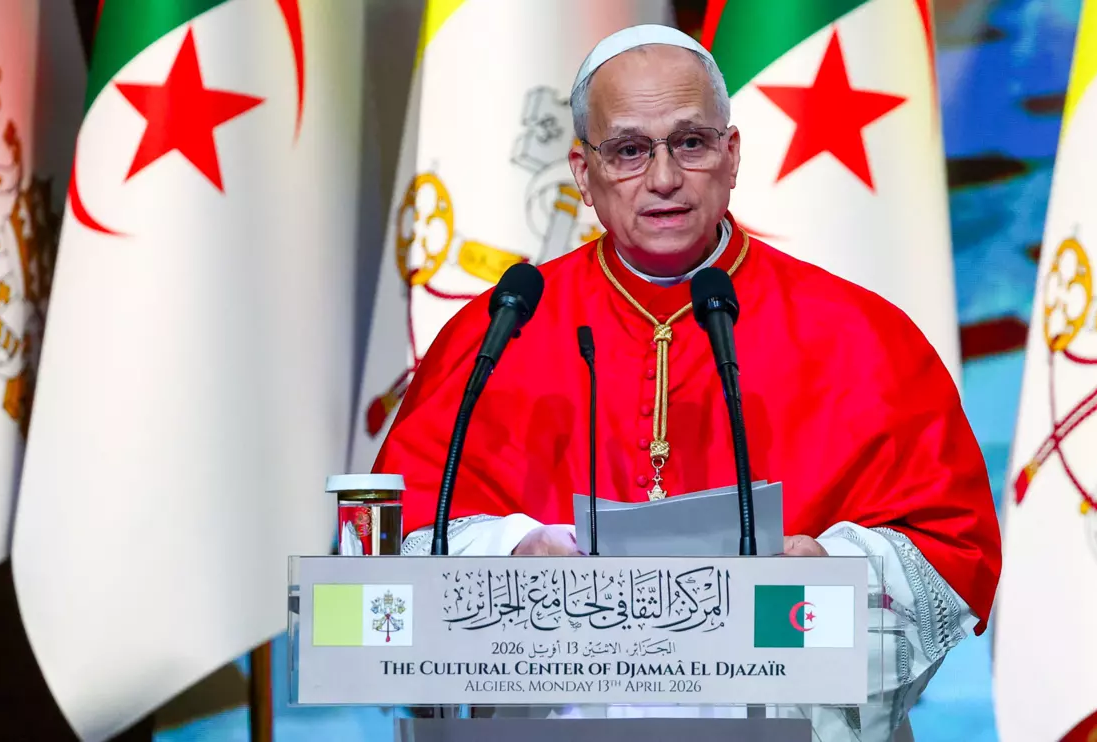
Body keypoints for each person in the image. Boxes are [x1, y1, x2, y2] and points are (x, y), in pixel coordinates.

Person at [372, 23, 1001, 741]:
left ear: (731, 156)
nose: (664, 178)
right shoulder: (502, 330)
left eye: (690, 142)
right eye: (629, 150)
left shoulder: (859, 334)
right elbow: (394, 543)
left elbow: (951, 553)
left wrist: (830, 566)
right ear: (583, 172)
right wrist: (513, 551)